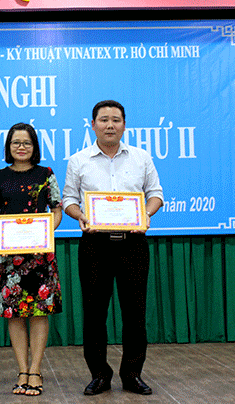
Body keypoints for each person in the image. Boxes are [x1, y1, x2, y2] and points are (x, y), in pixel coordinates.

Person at [63, 100, 163, 396]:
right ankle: (99, 374)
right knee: (94, 314)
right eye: (104, 120)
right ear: (92, 125)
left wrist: (146, 214)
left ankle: (132, 374)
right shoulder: (79, 160)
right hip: (95, 245)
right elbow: (69, 200)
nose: (110, 125)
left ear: (124, 125)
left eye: (116, 120)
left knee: (135, 313)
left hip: (133, 243)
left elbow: (156, 194)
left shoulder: (141, 157)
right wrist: (80, 215)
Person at [0, 123, 63, 397]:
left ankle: (36, 370)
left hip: (40, 256)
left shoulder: (46, 174)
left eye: (27, 143)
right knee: (14, 314)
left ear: (34, 146)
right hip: (9, 259)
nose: (21, 147)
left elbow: (56, 210)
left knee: (39, 313)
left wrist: (44, 233)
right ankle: (22, 370)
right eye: (16, 142)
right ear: (8, 146)